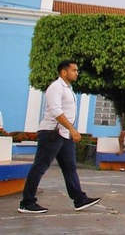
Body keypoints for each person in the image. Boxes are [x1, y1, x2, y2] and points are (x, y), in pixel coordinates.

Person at [18, 60, 101, 214]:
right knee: (40, 167)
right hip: (52, 133)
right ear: (64, 72)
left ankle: (79, 199)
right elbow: (56, 111)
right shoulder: (55, 87)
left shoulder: (68, 89)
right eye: (74, 70)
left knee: (70, 167)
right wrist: (72, 128)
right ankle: (27, 202)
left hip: (64, 135)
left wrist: (69, 131)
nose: (77, 73)